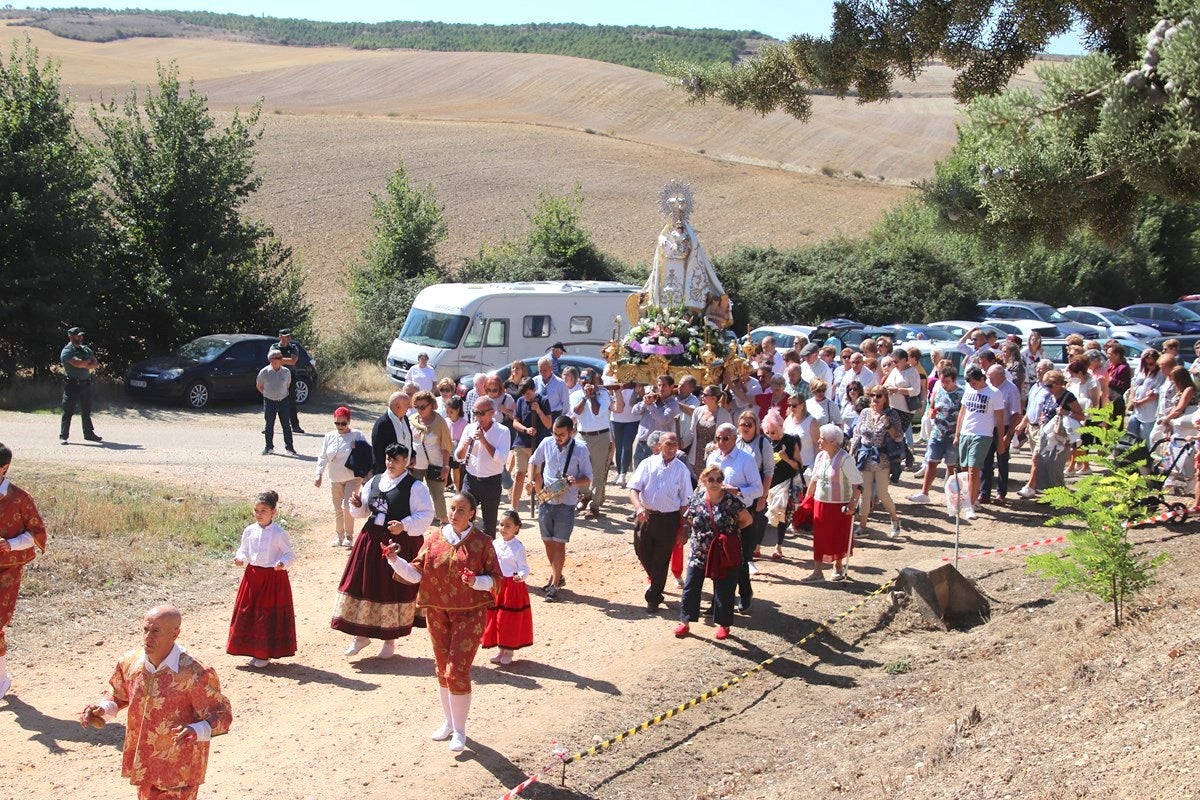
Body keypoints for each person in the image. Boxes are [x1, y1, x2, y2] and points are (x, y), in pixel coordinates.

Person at [384, 491, 502, 753]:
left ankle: (460, 731)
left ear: (472, 513)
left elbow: (497, 580)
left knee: (457, 669)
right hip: (438, 613)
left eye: (461, 510)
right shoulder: (434, 539)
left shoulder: (482, 542)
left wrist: (476, 582)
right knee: (441, 669)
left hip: (470, 613)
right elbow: (416, 574)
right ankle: (449, 723)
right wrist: (394, 560)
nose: (454, 514)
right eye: (452, 508)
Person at [80, 605, 233, 800]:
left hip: (180, 769)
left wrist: (198, 729)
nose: (147, 637)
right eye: (145, 629)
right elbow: (119, 694)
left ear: (175, 633)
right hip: (145, 766)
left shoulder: (194, 672)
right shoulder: (130, 663)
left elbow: (222, 714)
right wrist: (102, 709)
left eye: (156, 631)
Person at [333, 442, 434, 659]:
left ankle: (389, 641)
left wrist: (404, 525)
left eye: (396, 460)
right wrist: (357, 504)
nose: (391, 463)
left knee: (391, 589)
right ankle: (361, 636)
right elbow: (362, 512)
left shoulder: (415, 487)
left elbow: (425, 516)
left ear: (406, 462)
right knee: (365, 584)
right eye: (389, 459)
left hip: (399, 544)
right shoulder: (376, 481)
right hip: (371, 540)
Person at [674, 464, 748, 640]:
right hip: (699, 551)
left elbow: (747, 520)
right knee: (691, 586)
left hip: (722, 553)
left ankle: (724, 624)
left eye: (719, 480)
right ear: (704, 481)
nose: (715, 483)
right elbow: (689, 519)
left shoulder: (731, 501)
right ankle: (685, 622)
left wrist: (729, 535)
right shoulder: (697, 499)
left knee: (724, 588)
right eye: (711, 479)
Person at [226, 490, 296, 668]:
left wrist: (282, 563)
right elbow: (243, 550)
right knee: (249, 612)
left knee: (266, 615)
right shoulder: (249, 530)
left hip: (272, 579)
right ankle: (251, 650)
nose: (259, 514)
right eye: (256, 510)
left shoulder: (279, 533)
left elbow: (289, 554)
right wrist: (240, 558)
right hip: (252, 577)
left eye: (263, 510)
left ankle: (264, 654)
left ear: (274, 512)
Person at [628, 431, 693, 613]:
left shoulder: (681, 470)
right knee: (641, 551)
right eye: (668, 444)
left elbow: (685, 501)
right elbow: (633, 489)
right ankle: (656, 579)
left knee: (661, 559)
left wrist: (685, 526)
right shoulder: (647, 464)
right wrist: (639, 507)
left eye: (675, 445)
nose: (672, 448)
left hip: (668, 520)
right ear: (659, 446)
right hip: (646, 517)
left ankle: (654, 597)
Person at [0, 443, 46, 696]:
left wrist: (12, 544)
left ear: (4, 468)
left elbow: (37, 533)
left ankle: (1, 680)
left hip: (7, 569)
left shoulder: (19, 498)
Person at [529, 415, 592, 599]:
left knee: (559, 543)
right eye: (555, 433)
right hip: (546, 499)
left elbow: (588, 477)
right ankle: (557, 575)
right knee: (547, 541)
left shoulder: (580, 449)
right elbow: (534, 460)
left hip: (566, 502)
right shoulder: (547, 443)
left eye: (561, 434)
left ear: (571, 432)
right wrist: (532, 479)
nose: (557, 437)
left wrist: (574, 482)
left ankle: (555, 583)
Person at [705, 423, 764, 613]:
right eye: (718, 438)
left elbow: (758, 489)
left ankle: (745, 593)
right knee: (717, 557)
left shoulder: (746, 460)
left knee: (739, 559)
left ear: (735, 438)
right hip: (717, 517)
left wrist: (737, 490)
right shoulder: (713, 457)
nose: (721, 442)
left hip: (740, 517)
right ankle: (718, 599)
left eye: (725, 438)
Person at [796, 424, 864, 582]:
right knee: (819, 537)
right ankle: (817, 571)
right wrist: (807, 501)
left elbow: (858, 484)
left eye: (822, 438)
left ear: (833, 441)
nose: (819, 440)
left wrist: (853, 505)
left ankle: (838, 566)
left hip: (840, 506)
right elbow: (813, 480)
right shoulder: (820, 456)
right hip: (821, 503)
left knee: (838, 536)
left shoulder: (845, 459)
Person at [849, 388, 904, 538]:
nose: (875, 399)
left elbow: (898, 437)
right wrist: (851, 452)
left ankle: (895, 519)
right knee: (864, 494)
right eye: (872, 395)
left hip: (882, 458)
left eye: (878, 396)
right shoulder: (865, 412)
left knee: (882, 493)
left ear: (885, 398)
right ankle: (863, 526)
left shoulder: (892, 414)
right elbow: (857, 434)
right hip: (864, 457)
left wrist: (888, 426)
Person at [481, 509, 532, 666]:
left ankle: (508, 650)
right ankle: (501, 649)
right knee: (496, 618)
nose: (503, 529)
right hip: (497, 586)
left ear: (517, 527)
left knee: (508, 619)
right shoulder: (495, 544)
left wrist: (521, 576)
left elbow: (524, 567)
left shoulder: (518, 547)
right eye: (501, 525)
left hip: (512, 588)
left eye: (507, 526)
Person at [954, 367, 1006, 517]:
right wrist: (957, 434)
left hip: (983, 434)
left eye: (974, 383)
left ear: (982, 379)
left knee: (974, 469)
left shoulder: (994, 393)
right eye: (970, 383)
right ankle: (973, 498)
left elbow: (1000, 419)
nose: (972, 386)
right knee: (965, 469)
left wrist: (1001, 441)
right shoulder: (969, 391)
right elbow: (962, 413)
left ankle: (969, 505)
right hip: (966, 433)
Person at [456, 396, 511, 536]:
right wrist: (464, 446)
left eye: (481, 413)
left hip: (491, 482)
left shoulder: (503, 431)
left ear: (492, 412)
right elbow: (458, 456)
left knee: (489, 525)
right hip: (471, 480)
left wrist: (484, 441)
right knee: (463, 518)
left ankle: (487, 555)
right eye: (475, 413)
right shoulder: (469, 428)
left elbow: (502, 459)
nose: (477, 416)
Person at [315, 406, 369, 547]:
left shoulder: (357, 434)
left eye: (343, 423)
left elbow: (368, 452)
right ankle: (339, 537)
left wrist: (357, 445)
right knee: (337, 507)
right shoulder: (329, 436)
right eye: (337, 423)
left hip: (353, 477)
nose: (340, 426)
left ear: (349, 421)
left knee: (347, 505)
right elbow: (323, 456)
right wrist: (318, 474)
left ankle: (349, 537)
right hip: (335, 478)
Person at [909, 366, 963, 504]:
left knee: (951, 466)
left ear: (953, 380)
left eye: (947, 381)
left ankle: (951, 496)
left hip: (952, 435)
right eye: (942, 381)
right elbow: (931, 407)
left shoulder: (961, 394)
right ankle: (924, 492)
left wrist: (957, 434)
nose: (944, 384)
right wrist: (931, 412)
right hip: (937, 432)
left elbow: (963, 415)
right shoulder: (938, 391)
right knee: (931, 463)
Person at [762, 411, 805, 560]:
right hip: (769, 483)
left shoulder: (791, 441)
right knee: (762, 515)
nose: (771, 435)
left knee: (782, 516)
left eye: (773, 432)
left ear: (780, 428)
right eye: (767, 432)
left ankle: (778, 547)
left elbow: (799, 465)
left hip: (786, 483)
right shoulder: (766, 442)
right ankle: (756, 547)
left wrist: (785, 459)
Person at [979, 362, 1023, 504]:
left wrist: (1007, 435)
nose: (987, 378)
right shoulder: (988, 387)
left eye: (990, 376)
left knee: (1002, 461)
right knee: (986, 461)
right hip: (987, 427)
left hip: (1003, 428)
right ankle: (984, 492)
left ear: (1000, 376)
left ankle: (1001, 493)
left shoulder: (1011, 389)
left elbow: (1016, 414)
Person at [572, 368, 612, 518]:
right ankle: (586, 495)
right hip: (582, 436)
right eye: (582, 378)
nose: (584, 381)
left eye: (587, 378)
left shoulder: (604, 395)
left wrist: (593, 396)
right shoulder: (576, 394)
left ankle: (594, 505)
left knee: (598, 473)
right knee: (579, 469)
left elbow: (596, 412)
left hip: (600, 436)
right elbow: (576, 412)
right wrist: (585, 397)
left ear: (594, 380)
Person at [410, 391, 453, 525]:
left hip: (435, 465)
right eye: (416, 407)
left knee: (437, 494)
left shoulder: (439, 422)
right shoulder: (412, 420)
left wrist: (446, 466)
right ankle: (416, 518)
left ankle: (443, 521)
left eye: (423, 407)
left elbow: (446, 446)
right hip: (415, 465)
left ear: (431, 405)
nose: (419, 410)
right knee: (413, 493)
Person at [510, 378, 552, 510]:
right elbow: (515, 422)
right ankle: (514, 507)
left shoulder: (544, 401)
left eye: (528, 394)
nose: (526, 397)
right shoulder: (520, 401)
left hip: (537, 444)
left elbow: (548, 424)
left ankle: (541, 502)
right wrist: (525, 429)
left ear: (534, 390)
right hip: (522, 443)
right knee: (519, 474)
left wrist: (539, 411)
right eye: (524, 394)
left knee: (536, 474)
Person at [60, 325, 102, 444]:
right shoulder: (67, 351)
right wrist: (85, 362)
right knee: (68, 410)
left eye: (81, 335)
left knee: (86, 410)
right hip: (72, 384)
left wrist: (85, 363)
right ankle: (63, 436)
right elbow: (78, 364)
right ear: (71, 337)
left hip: (85, 384)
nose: (80, 337)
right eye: (77, 336)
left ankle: (88, 434)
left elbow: (95, 364)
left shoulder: (86, 349)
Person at [632, 374, 683, 465]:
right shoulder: (652, 399)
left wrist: (650, 405)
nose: (661, 388)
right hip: (642, 443)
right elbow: (634, 411)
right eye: (659, 385)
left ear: (671, 387)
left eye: (664, 385)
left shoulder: (673, 404)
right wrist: (645, 401)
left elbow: (663, 420)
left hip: (657, 447)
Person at [256, 349, 296, 456]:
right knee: (269, 425)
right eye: (277, 358)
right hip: (269, 402)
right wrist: (268, 394)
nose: (280, 360)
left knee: (286, 425)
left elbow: (287, 385)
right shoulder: (264, 372)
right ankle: (269, 447)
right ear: (271, 360)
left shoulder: (286, 372)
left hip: (283, 401)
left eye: (280, 357)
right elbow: (259, 386)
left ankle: (290, 448)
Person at [371, 391, 414, 475]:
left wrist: (412, 456)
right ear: (398, 407)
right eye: (407, 405)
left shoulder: (405, 419)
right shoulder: (382, 424)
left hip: (405, 470)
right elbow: (378, 453)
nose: (410, 407)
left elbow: (408, 440)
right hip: (390, 473)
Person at [1127, 348, 1165, 445]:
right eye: (1145, 364)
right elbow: (1133, 383)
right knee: (1131, 435)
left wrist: (1140, 402)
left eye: (1151, 364)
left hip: (1149, 412)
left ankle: (1145, 458)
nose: (1148, 366)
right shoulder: (1140, 370)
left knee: (1145, 438)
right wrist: (1132, 398)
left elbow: (1157, 393)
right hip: (1136, 410)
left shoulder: (1161, 374)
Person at [610, 379, 641, 487]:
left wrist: (638, 391)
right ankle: (619, 472)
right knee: (619, 447)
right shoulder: (613, 381)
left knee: (627, 446)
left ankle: (623, 473)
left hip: (633, 420)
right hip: (616, 420)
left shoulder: (638, 382)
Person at [274, 329, 305, 433]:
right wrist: (281, 360)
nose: (288, 338)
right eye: (286, 336)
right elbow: (271, 360)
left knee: (291, 401)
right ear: (280, 337)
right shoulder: (274, 347)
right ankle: (269, 426)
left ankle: (295, 426)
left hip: (290, 376)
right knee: (273, 401)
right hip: (276, 376)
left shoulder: (293, 347)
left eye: (289, 336)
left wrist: (279, 359)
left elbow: (293, 361)